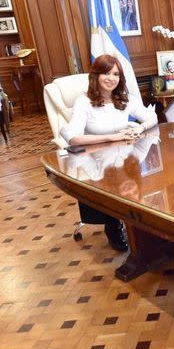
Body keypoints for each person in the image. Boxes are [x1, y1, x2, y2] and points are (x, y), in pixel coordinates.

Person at [60, 54, 158, 251]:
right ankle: (112, 224)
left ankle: (141, 227)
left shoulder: (124, 99)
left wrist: (139, 128)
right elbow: (74, 138)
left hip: (124, 156)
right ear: (95, 76)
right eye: (106, 73)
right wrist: (111, 138)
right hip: (95, 160)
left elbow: (151, 117)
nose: (111, 78)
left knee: (137, 183)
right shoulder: (84, 102)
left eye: (115, 74)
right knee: (110, 186)